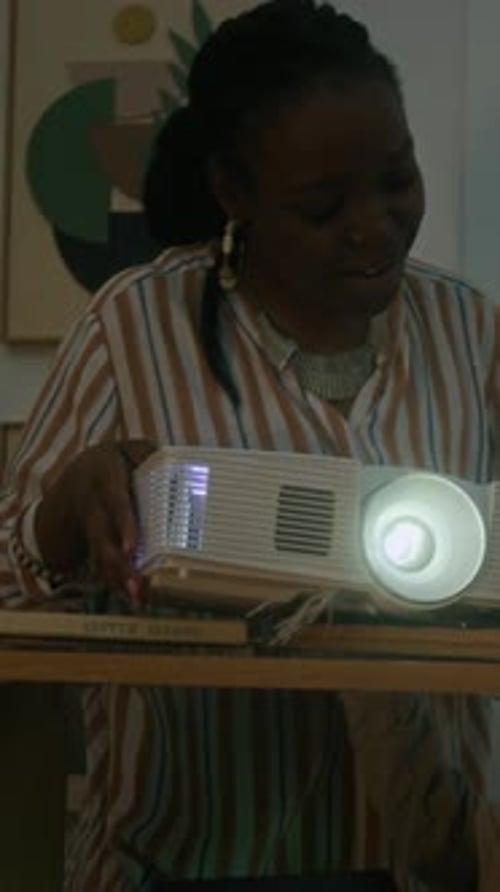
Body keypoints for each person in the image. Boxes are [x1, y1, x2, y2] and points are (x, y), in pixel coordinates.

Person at [0, 1, 497, 889]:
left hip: (419, 861)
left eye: (398, 179)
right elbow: (7, 576)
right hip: (179, 859)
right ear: (234, 194)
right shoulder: (135, 327)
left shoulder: (470, 332)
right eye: (322, 205)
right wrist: (66, 511)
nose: (375, 225)